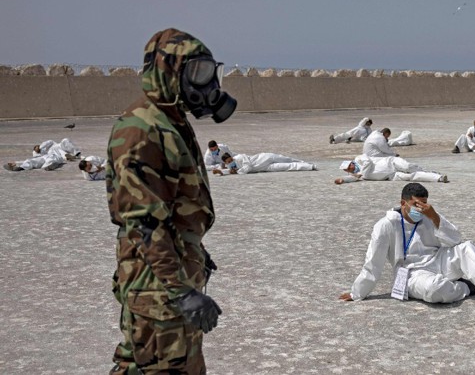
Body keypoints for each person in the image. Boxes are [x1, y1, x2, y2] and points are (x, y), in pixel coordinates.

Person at [106, 28, 229, 374]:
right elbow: (145, 222)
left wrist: (194, 251)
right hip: (159, 287)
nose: (205, 86)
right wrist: (181, 291)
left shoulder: (170, 120)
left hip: (168, 276)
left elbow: (174, 204)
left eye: (209, 73)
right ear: (168, 71)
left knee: (140, 365)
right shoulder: (140, 130)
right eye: (196, 74)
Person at [339, 183, 475, 308]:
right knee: (434, 290)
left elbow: (455, 240)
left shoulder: (428, 214)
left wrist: (434, 217)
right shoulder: (386, 225)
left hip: (438, 260)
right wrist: (357, 292)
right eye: (416, 204)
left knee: (466, 248)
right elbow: (373, 262)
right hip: (410, 272)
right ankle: (468, 287)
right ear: (403, 203)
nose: (420, 208)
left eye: (424, 203)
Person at [335, 155, 448, 184]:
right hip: (390, 176)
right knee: (410, 177)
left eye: (348, 167)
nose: (349, 169)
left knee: (408, 167)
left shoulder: (359, 159)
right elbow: (352, 178)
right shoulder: (358, 174)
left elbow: (368, 162)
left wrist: (362, 174)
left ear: (351, 163)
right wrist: (343, 180)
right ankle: (438, 178)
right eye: (346, 170)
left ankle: (428, 171)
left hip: (391, 162)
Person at [3, 138, 81, 171]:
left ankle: (50, 166)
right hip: (45, 157)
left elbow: (48, 142)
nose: (36, 148)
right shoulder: (39, 153)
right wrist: (16, 163)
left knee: (52, 159)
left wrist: (40, 147)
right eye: (35, 148)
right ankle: (20, 168)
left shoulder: (54, 144)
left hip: (55, 155)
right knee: (30, 161)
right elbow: (34, 159)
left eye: (37, 147)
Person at [213, 152, 316, 175]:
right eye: (228, 162)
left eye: (230, 160)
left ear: (231, 157)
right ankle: (310, 166)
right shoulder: (231, 166)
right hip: (266, 167)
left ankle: (304, 162)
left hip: (265, 158)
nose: (230, 163)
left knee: (287, 160)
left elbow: (247, 167)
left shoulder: (239, 157)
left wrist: (237, 172)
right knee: (287, 166)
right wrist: (221, 172)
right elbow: (231, 171)